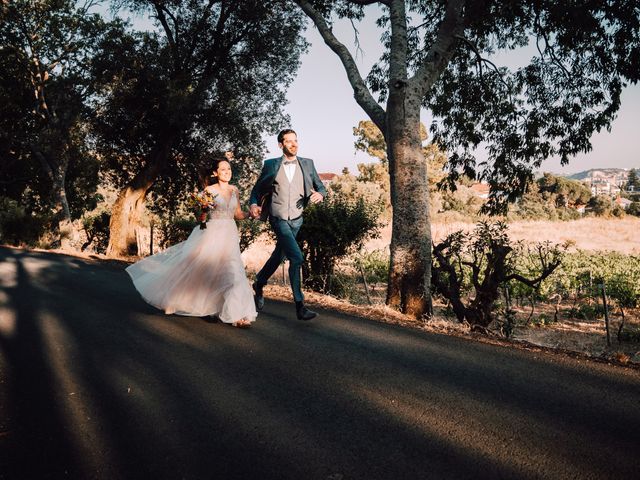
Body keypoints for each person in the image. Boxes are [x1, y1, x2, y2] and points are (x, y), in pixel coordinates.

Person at [126, 157, 256, 328]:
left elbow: (238, 214)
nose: (227, 172)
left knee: (233, 272)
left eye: (229, 169)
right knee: (199, 269)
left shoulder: (235, 190)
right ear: (215, 173)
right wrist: (203, 208)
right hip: (213, 233)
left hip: (230, 235)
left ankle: (237, 315)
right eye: (223, 169)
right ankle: (173, 299)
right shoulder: (209, 190)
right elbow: (201, 218)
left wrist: (251, 214)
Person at [249, 129, 327, 320]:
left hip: (297, 219)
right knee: (297, 257)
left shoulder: (308, 164)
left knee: (279, 255)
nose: (294, 144)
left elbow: (321, 186)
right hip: (278, 217)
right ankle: (300, 306)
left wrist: (320, 194)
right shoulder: (270, 164)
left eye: (296, 140)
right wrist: (253, 204)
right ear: (280, 145)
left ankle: (259, 282)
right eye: (289, 141)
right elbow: (256, 190)